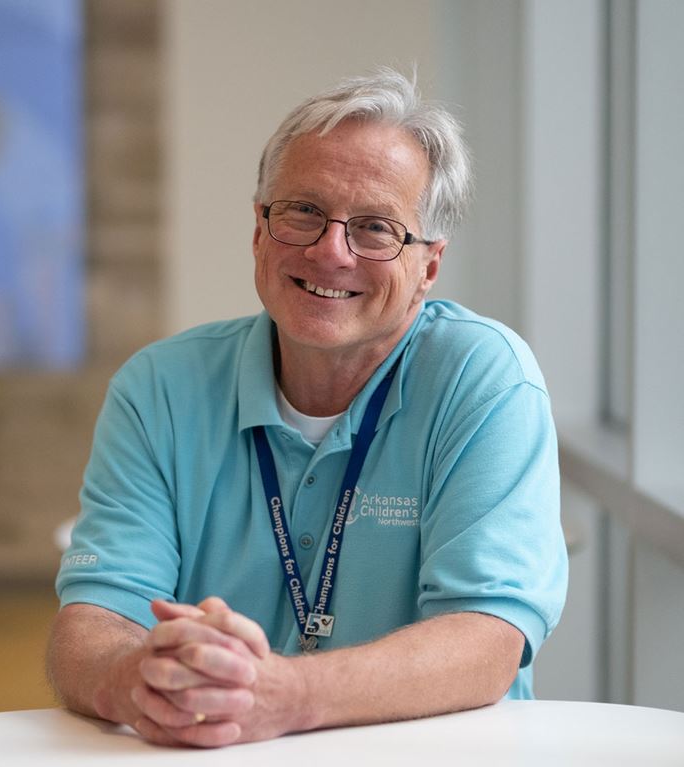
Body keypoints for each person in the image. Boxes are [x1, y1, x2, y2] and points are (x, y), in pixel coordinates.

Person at [47, 69, 567, 748]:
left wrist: (283, 694)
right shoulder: (159, 387)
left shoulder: (485, 379)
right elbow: (90, 621)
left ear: (429, 267)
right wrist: (131, 676)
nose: (330, 251)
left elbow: (485, 639)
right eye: (303, 212)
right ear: (259, 229)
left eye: (376, 227)